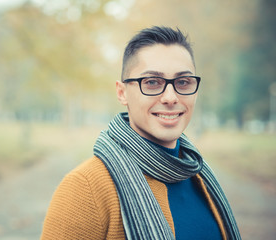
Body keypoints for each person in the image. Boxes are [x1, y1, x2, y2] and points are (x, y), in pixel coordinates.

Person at [41, 26, 241, 239]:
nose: (171, 97)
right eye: (152, 82)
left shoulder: (199, 175)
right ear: (122, 92)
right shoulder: (85, 189)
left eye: (183, 82)